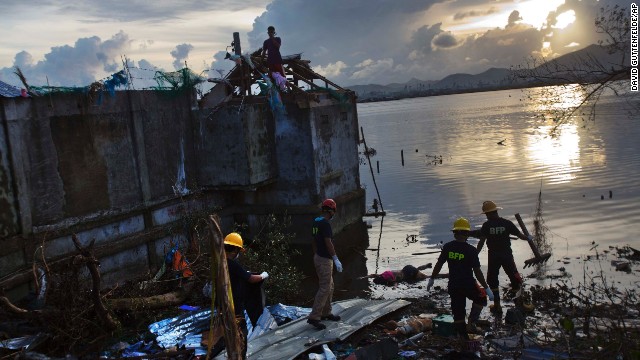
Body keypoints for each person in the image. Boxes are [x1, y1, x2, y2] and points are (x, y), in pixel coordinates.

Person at [427, 217, 494, 340]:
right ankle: (471, 324)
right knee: (481, 297)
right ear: (467, 233)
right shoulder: (471, 250)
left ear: (455, 232)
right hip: (468, 284)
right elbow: (477, 271)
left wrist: (432, 278)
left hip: (454, 285)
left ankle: (463, 337)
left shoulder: (447, 247)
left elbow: (439, 264)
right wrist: (486, 287)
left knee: (458, 311)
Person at [211, 232, 269, 358]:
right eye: (238, 251)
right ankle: (240, 356)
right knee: (241, 333)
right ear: (235, 250)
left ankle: (233, 355)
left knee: (229, 332)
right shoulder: (232, 264)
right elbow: (251, 279)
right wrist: (262, 276)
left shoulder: (219, 261)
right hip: (234, 306)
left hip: (221, 305)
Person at [470, 200, 532, 315]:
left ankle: (497, 305)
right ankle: (519, 303)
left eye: (487, 214)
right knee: (514, 277)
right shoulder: (507, 223)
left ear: (487, 214)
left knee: (492, 280)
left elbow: (482, 241)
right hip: (507, 255)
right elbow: (520, 235)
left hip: (493, 256)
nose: (487, 216)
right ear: (496, 211)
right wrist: (528, 238)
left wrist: (475, 254)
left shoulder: (486, 225)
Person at [307, 198, 343, 330]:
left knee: (330, 286)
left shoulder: (316, 222)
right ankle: (314, 316)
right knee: (324, 287)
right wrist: (335, 258)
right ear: (331, 211)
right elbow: (328, 242)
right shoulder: (325, 224)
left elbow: (314, 240)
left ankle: (326, 312)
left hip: (319, 257)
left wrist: (315, 254)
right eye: (334, 210)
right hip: (324, 259)